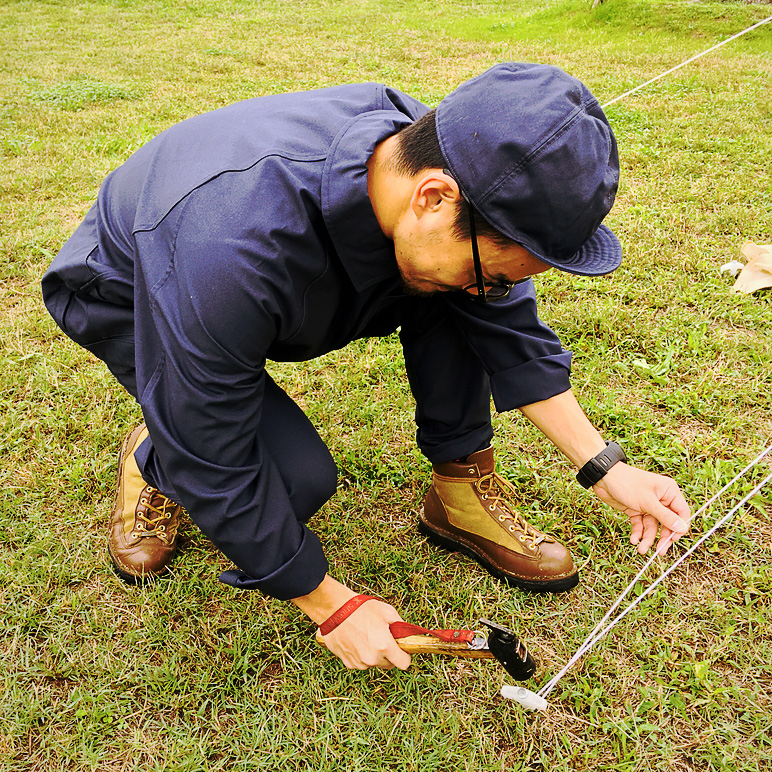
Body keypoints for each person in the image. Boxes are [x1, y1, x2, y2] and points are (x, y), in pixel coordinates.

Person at [42, 62, 691, 672]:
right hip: (133, 292)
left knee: (456, 294)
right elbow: (217, 454)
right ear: (434, 198)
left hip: (251, 286)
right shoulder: (232, 247)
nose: (496, 291)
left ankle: (460, 494)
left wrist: (605, 467)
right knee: (291, 482)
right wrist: (330, 604)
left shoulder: (435, 167)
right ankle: (154, 452)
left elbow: (508, 325)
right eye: (495, 274)